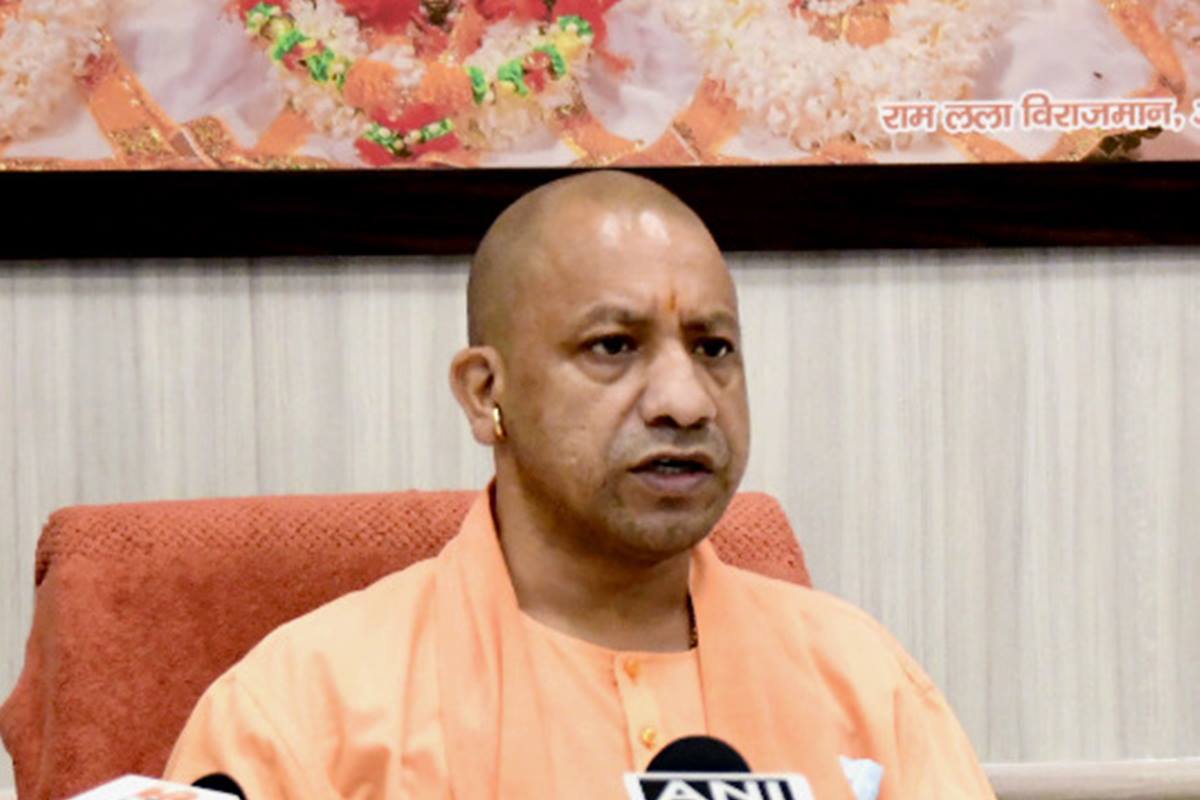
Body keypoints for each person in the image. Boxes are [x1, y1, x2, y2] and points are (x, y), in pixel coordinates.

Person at [164, 171, 995, 799]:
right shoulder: (308, 709)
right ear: (486, 392)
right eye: (613, 346)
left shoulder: (861, 683)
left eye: (712, 348)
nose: (685, 402)